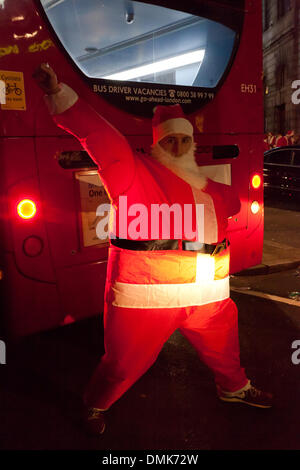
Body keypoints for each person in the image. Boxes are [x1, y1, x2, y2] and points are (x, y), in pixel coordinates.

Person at [33, 63, 273, 435]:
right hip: (144, 301)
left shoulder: (215, 191)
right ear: (156, 143)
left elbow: (235, 207)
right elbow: (101, 137)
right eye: (168, 141)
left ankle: (234, 388)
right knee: (123, 364)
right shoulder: (133, 173)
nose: (177, 147)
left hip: (208, 301)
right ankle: (95, 404)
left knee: (226, 352)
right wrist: (59, 92)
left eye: (184, 140)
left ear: (193, 143)